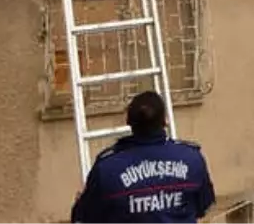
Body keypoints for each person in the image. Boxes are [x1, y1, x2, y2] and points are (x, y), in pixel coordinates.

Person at [71, 91, 215, 223]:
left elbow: (84, 217)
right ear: (165, 121)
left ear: (128, 122)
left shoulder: (107, 168)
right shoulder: (192, 159)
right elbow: (204, 206)